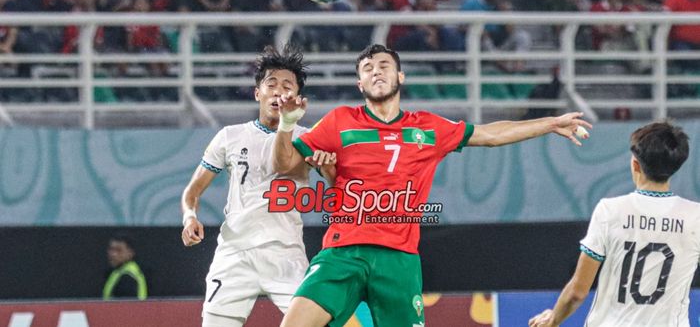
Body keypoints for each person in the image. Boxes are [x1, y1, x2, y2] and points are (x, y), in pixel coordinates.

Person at [272, 44, 592, 327]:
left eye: (384, 66)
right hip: (342, 252)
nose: (376, 72)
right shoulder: (339, 121)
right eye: (367, 69)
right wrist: (287, 124)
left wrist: (550, 123)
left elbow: (491, 135)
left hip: (398, 260)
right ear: (360, 84)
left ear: (400, 77)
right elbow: (283, 165)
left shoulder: (427, 127)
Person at [181, 45, 336, 327]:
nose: (279, 92)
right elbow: (192, 191)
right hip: (234, 253)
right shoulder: (229, 136)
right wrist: (189, 216)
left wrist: (329, 166)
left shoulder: (310, 139)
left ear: (298, 99)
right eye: (271, 84)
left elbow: (337, 182)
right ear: (257, 93)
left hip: (286, 255)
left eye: (287, 86)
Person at [529, 121, 696, 327]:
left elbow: (577, 292)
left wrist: (553, 319)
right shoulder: (695, 217)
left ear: (635, 164)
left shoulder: (610, 211)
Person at [103, 234, 148, 300]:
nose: (113, 254)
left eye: (119, 250)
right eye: (111, 249)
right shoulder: (118, 272)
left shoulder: (128, 276)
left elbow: (125, 307)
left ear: (130, 253)